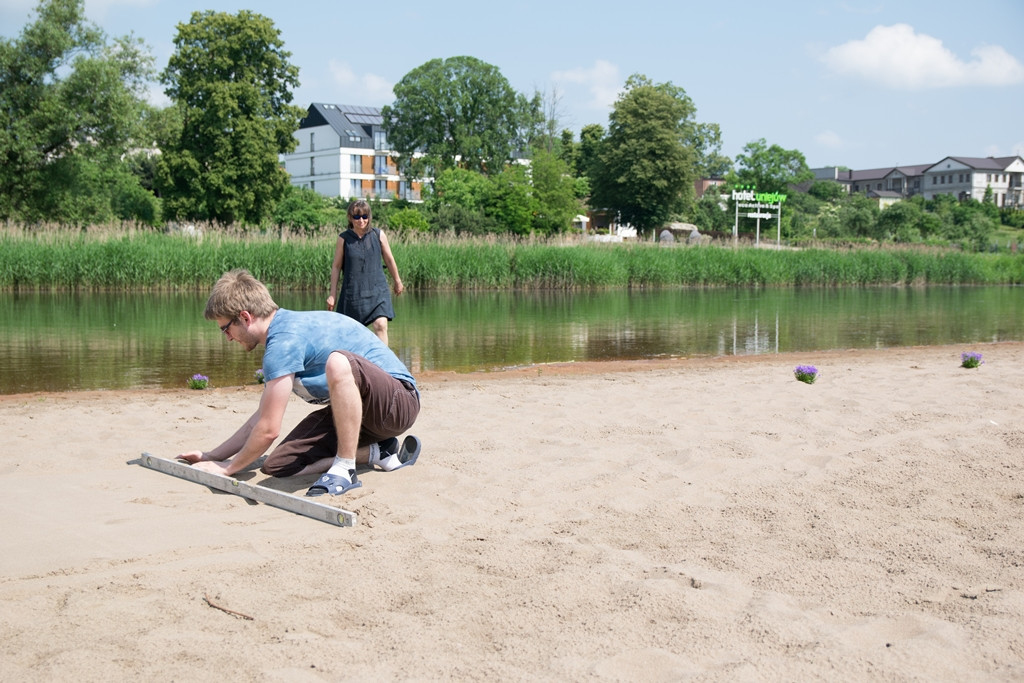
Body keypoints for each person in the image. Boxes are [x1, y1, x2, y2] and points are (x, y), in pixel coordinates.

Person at [178, 269, 421, 497]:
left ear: (245, 317)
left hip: (398, 404)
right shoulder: (279, 337)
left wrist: (228, 470)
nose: (228, 338)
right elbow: (261, 419)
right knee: (279, 465)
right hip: (360, 416)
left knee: (337, 361)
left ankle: (345, 468)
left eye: (225, 329)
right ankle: (379, 451)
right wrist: (212, 456)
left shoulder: (284, 340)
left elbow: (269, 431)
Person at [326, 200, 404, 346]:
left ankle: (382, 364)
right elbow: (336, 267)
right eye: (356, 217)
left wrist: (397, 280)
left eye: (364, 216)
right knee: (350, 333)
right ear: (350, 217)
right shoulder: (344, 239)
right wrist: (332, 295)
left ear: (369, 217)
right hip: (353, 292)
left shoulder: (378, 235)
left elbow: (389, 259)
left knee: (381, 325)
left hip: (377, 290)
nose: (361, 220)